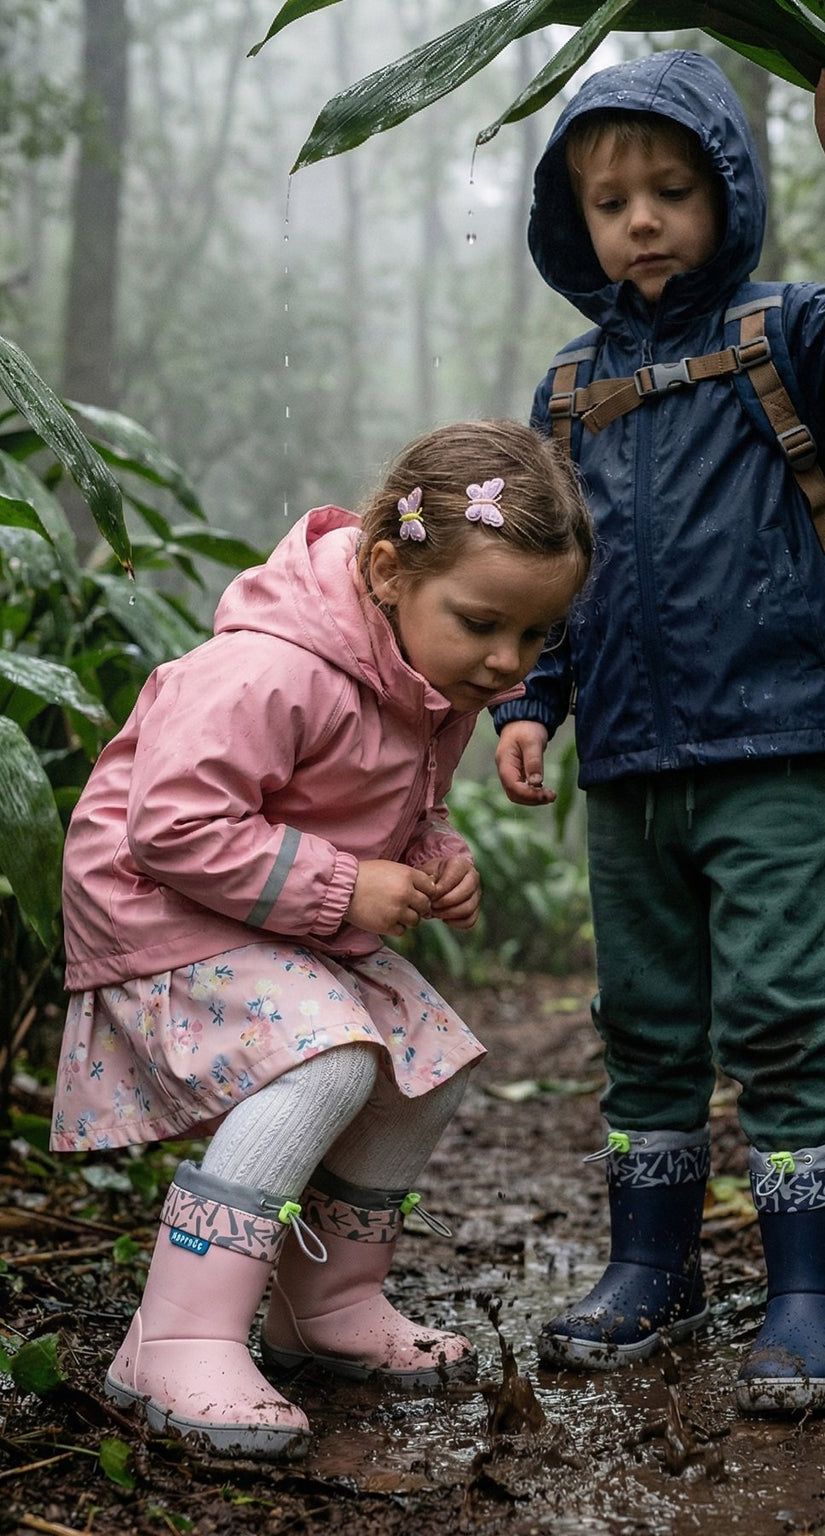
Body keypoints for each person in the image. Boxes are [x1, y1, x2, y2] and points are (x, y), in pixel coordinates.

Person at [493, 46, 825, 1412]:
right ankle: (655, 1264)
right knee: (644, 1021)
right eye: (610, 200)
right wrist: (533, 703)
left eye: (672, 189)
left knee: (773, 1007)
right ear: (571, 223)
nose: (640, 219)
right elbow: (554, 576)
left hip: (776, 747)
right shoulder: (569, 392)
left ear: (728, 193)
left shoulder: (788, 334)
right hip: (629, 762)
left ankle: (814, 1285)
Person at [51, 418, 593, 1460]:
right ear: (388, 568)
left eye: (536, 639)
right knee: (332, 1060)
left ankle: (328, 1306)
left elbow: (393, 799)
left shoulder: (431, 670)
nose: (505, 661)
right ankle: (173, 1336)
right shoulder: (268, 669)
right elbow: (168, 826)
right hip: (157, 906)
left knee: (425, 1065)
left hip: (271, 908)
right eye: (485, 624)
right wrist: (346, 886)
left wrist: (435, 853)